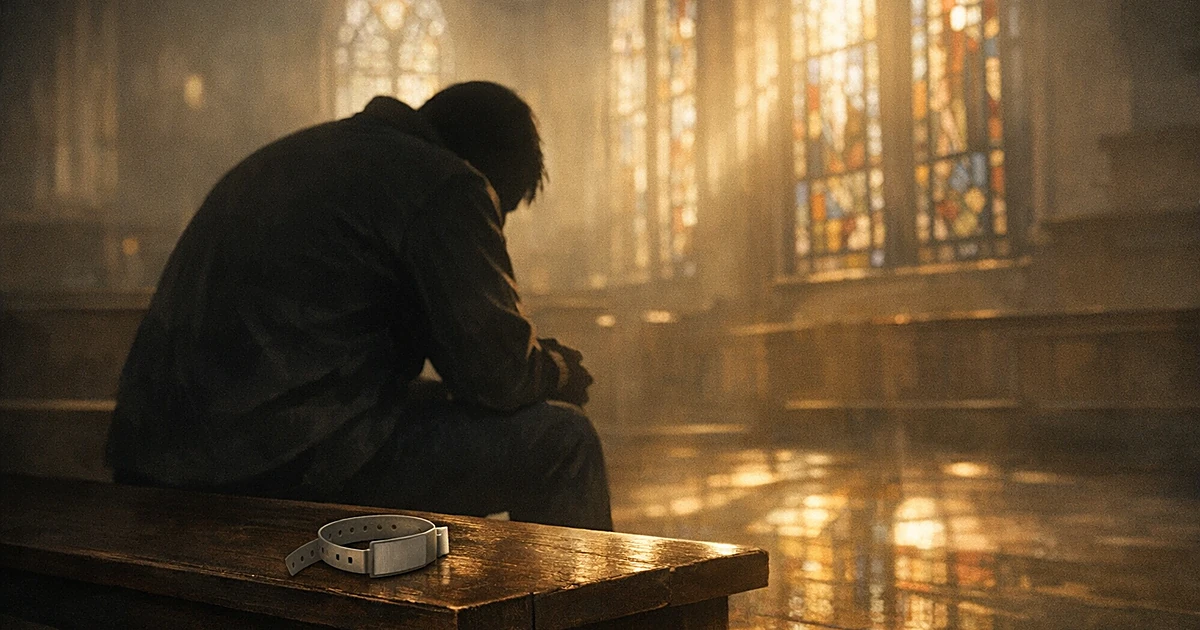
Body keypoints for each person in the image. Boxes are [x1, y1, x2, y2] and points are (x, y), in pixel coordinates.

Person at [105, 81, 613, 531]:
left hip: (158, 455)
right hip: (271, 465)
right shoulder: (448, 182)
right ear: (489, 171)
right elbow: (496, 376)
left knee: (439, 416)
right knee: (561, 441)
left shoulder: (301, 154)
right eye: (499, 214)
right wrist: (559, 370)